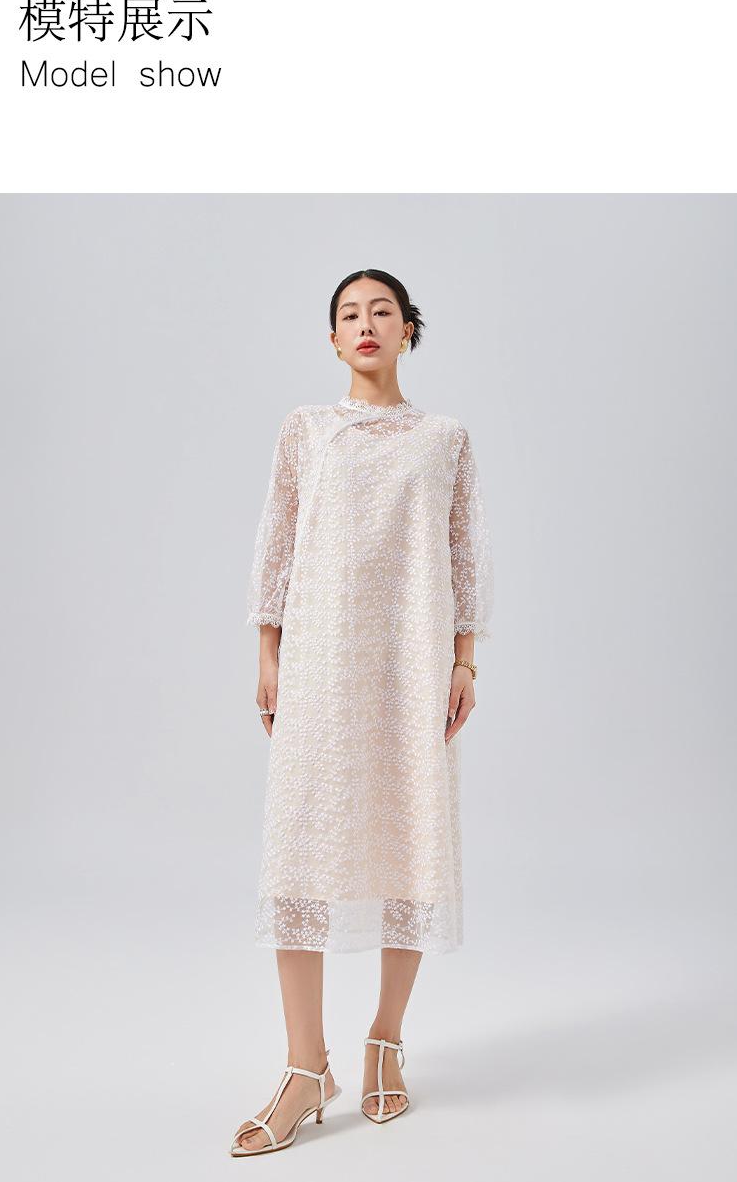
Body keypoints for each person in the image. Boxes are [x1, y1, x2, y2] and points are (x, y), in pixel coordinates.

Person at [230, 268, 494, 1156]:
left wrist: (464, 658)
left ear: (408, 328)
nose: (366, 323)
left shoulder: (445, 438)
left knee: (408, 835)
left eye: (382, 310)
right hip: (319, 659)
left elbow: (464, 550)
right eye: (349, 313)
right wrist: (268, 650)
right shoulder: (306, 429)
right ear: (333, 337)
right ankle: (306, 1065)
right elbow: (278, 537)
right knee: (298, 849)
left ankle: (385, 1038)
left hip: (411, 663)